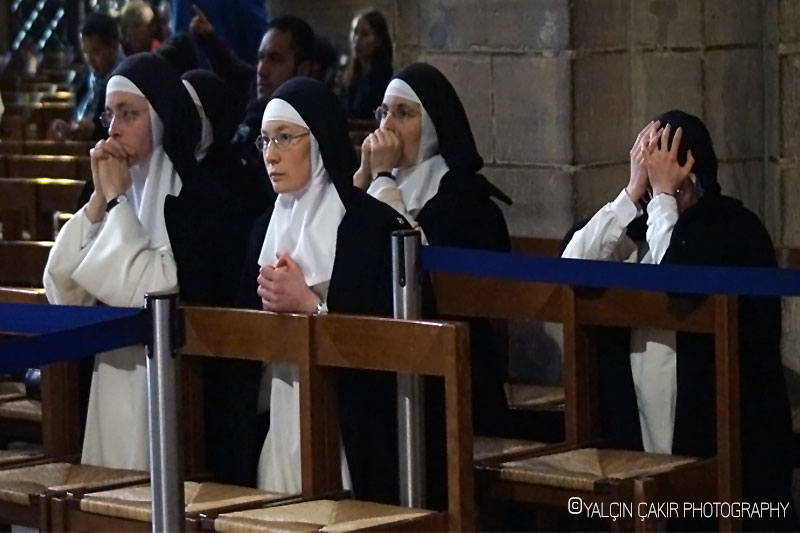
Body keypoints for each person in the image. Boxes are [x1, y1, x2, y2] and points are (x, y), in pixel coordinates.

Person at [562, 110, 796, 531]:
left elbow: (678, 278)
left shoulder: (734, 229)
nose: (662, 196)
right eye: (655, 184)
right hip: (634, 426)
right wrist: (633, 193)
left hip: (723, 436)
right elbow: (570, 267)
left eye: (675, 184)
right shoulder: (636, 223)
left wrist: (666, 202)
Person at [43, 52, 248, 469]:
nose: (113, 128)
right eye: (108, 115)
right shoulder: (100, 192)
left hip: (179, 386)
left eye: (128, 114)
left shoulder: (202, 202)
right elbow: (61, 291)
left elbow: (154, 294)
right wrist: (100, 202)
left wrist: (117, 201)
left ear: (159, 118)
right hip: (111, 373)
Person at [352, 62, 528, 507]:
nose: (387, 126)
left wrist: (384, 180)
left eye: (404, 114)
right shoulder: (377, 185)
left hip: (453, 377)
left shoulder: (465, 201)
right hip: (383, 365)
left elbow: (409, 264)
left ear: (433, 124)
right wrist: (362, 182)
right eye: (383, 113)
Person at [235, 77, 409, 493]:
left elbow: (392, 344)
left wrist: (312, 306)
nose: (271, 155)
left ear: (318, 141)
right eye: (264, 141)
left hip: (350, 424)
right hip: (279, 411)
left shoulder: (370, 226)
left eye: (284, 138)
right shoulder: (262, 229)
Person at [50, 12, 125, 141]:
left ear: (114, 46)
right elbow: (80, 114)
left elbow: (124, 125)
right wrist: (69, 127)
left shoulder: (126, 79)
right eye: (85, 52)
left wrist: (94, 129)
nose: (89, 60)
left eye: (96, 52)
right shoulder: (88, 77)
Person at [338, 9, 393, 119]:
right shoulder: (348, 75)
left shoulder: (384, 78)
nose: (357, 39)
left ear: (378, 41)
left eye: (365, 34)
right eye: (355, 32)